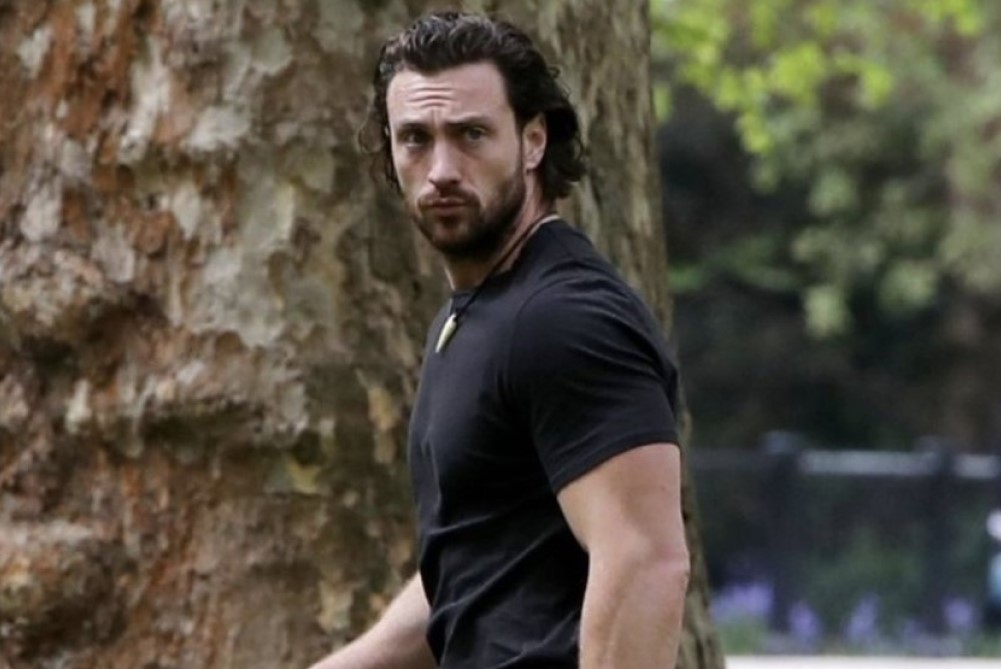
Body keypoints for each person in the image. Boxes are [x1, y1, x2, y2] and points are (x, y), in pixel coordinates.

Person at [308, 11, 689, 669]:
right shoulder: (477, 315)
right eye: (415, 138)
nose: (441, 169)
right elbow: (479, 562)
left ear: (533, 141)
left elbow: (644, 561)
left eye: (471, 134)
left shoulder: (565, 318)